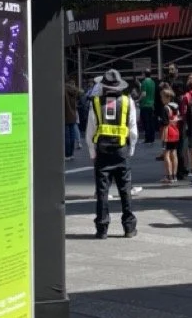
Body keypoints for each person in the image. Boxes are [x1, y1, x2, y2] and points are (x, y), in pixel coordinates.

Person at [85, 68, 138, 239]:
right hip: (122, 151)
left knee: (102, 192)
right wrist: (130, 149)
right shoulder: (127, 101)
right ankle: (129, 228)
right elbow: (133, 130)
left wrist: (92, 152)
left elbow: (90, 131)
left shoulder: (95, 103)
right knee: (125, 190)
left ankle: (102, 229)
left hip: (102, 152)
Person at [159, 87, 181, 185]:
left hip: (168, 133)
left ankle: (169, 176)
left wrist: (163, 137)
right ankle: (174, 176)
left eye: (162, 97)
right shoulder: (176, 106)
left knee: (166, 154)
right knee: (174, 153)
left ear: (167, 97)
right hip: (176, 132)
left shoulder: (165, 108)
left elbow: (165, 124)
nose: (161, 99)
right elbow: (178, 118)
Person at [138, 71, 157, 144]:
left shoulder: (144, 82)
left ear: (144, 74)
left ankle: (147, 139)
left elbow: (143, 94)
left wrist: (137, 100)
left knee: (146, 123)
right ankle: (152, 138)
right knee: (151, 122)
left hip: (144, 105)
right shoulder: (153, 82)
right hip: (151, 105)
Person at [64, 78, 80, 159]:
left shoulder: (64, 90)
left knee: (66, 136)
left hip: (66, 115)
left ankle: (67, 154)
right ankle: (72, 154)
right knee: (72, 135)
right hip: (73, 115)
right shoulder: (75, 91)